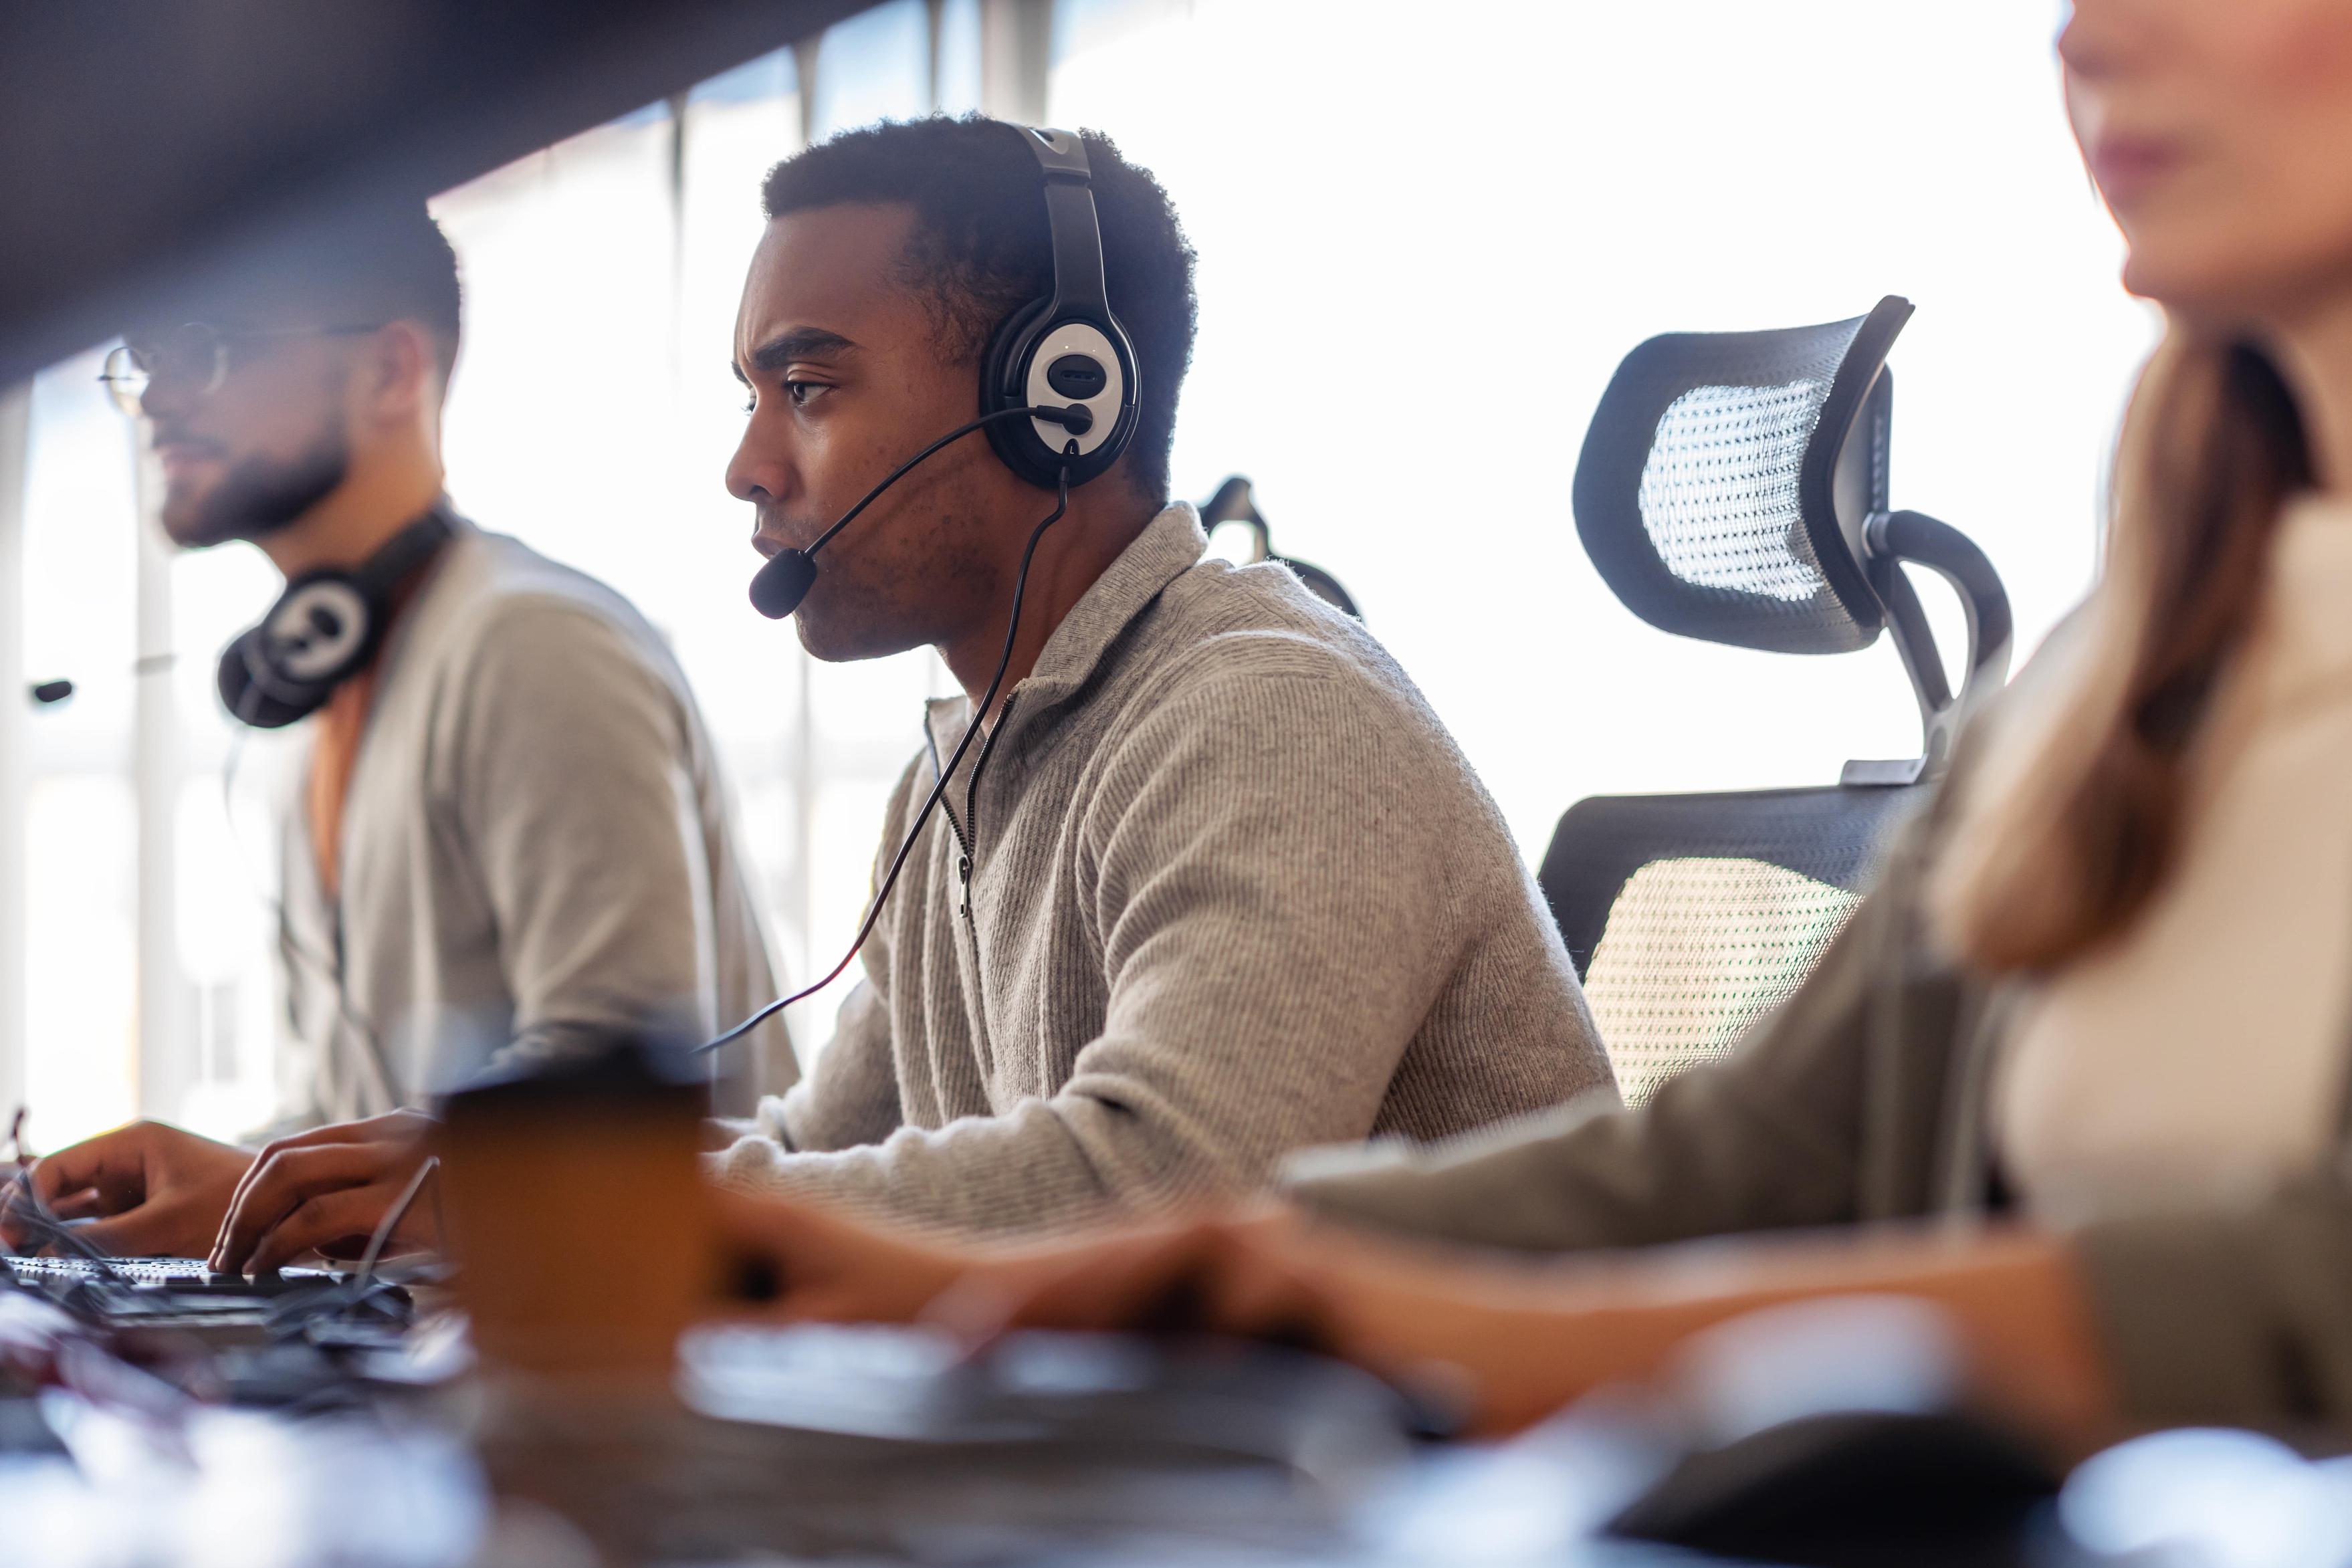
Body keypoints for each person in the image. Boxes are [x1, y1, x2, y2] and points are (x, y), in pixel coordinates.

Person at [708, 0, 2352, 1462]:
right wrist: (1204, 1263)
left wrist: (1437, 1315)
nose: (2093, 34)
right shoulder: (2112, 681)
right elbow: (1738, 1161)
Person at [201, 118, 1611, 1275]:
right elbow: (818, 1154)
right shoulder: (963, 765)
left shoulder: (1266, 716)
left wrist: (582, 1209)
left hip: (1472, 1541)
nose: (748, 464)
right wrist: (496, 1177)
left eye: (805, 385)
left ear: (1057, 400)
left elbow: (1163, 1187)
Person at [25, 205, 796, 1259]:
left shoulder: (534, 647)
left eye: (206, 350)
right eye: (147, 358)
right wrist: (133, 1201)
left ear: (392, 371)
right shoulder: (314, 700)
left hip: (618, 1367)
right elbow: (353, 1117)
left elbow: (615, 1105)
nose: (156, 399)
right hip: (429, 1356)